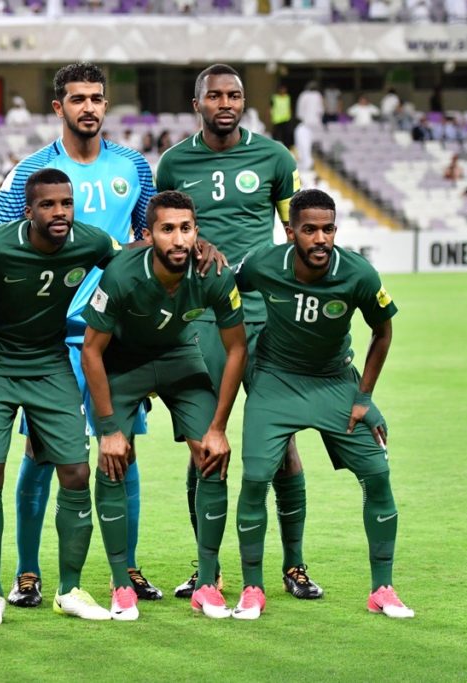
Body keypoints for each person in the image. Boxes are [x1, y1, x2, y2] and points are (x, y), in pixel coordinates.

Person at [0, 62, 158, 608]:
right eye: (77, 98)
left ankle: (122, 571)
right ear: (58, 107)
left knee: (119, 453)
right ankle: (28, 573)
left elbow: (147, 244)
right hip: (50, 342)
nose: (89, 107)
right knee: (41, 454)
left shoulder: (134, 167)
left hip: (115, 338)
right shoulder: (34, 171)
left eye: (97, 98)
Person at [155, 63, 317, 601]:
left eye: (235, 95)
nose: (226, 103)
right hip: (200, 316)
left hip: (265, 314)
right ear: (197, 102)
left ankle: (294, 565)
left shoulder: (275, 157)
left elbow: (297, 230)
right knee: (202, 444)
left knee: (280, 440)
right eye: (215, 95)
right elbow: (161, 232)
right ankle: (208, 570)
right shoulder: (175, 162)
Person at [231, 189, 413, 621]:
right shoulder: (263, 263)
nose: (320, 239)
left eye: (328, 229)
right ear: (290, 230)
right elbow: (223, 286)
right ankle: (253, 588)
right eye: (309, 229)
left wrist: (364, 397)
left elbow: (382, 332)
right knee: (256, 477)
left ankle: (382, 589)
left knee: (378, 474)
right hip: (275, 380)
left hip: (334, 382)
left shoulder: (358, 274)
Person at [0, 168, 123, 625]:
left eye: (66, 204)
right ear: (29, 211)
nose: (59, 213)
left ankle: (69, 588)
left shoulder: (91, 243)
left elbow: (130, 267)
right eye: (48, 205)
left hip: (49, 362)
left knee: (74, 471)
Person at [81, 190, 247, 620]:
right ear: (148, 234)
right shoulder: (121, 274)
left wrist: (219, 427)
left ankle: (207, 582)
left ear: (197, 232)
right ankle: (121, 585)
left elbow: (235, 349)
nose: (178, 240)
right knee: (113, 459)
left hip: (179, 357)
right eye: (167, 229)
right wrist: (109, 429)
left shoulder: (213, 273)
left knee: (212, 455)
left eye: (186, 229)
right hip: (123, 363)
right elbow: (91, 352)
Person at [270, 84, 293, 148]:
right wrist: (271, 116)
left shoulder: (287, 97)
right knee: (276, 135)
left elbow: (289, 107)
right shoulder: (275, 97)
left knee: (286, 134)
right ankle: (274, 146)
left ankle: (287, 147)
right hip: (277, 119)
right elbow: (270, 108)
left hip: (286, 118)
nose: (283, 91)